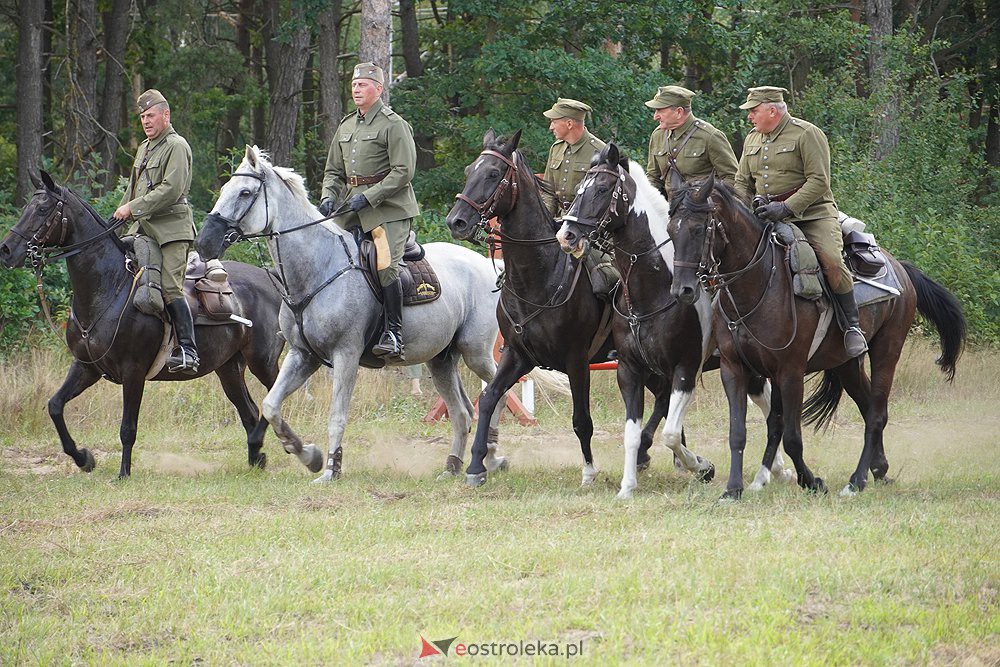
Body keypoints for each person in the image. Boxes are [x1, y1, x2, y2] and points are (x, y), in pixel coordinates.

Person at [734, 86, 867, 357]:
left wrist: (786, 208)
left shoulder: (807, 133)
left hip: (812, 215)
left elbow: (819, 181)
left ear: (772, 110)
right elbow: (742, 181)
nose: (750, 117)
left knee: (831, 261)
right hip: (765, 214)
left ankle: (851, 327)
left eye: (754, 111)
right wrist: (739, 211)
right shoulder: (752, 138)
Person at [319, 62, 419, 362]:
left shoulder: (393, 124)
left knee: (385, 264)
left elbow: (404, 171)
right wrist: (327, 196)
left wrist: (371, 196)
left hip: (388, 209)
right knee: (321, 251)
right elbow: (333, 171)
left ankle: (393, 334)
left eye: (362, 84)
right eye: (353, 84)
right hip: (350, 206)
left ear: (378, 89)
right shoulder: (346, 125)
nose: (356, 88)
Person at [114, 89, 200, 374]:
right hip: (145, 228)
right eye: (142, 117)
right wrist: (117, 219)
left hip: (172, 230)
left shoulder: (176, 145)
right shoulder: (144, 148)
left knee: (168, 286)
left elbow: (171, 189)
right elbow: (132, 188)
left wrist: (133, 208)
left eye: (150, 115)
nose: (146, 121)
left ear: (166, 115)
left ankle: (188, 349)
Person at [540, 98, 616, 298]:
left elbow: (608, 199)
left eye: (554, 121)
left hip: (589, 227)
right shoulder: (556, 148)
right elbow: (548, 191)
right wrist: (546, 221)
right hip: (558, 223)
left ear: (569, 123)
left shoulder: (601, 151)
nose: (550, 127)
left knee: (604, 279)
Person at [644, 85, 739, 200]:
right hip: (670, 210)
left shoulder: (709, 136)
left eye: (660, 110)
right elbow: (653, 177)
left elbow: (731, 177)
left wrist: (710, 201)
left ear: (679, 112)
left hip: (703, 212)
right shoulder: (658, 135)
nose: (655, 117)